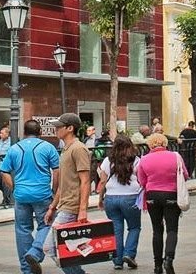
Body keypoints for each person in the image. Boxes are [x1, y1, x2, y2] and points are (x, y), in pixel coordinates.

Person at [0, 119, 61, 274]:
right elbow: (56, 171)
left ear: (24, 132)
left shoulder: (14, 148)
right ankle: (35, 252)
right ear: (40, 132)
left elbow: (4, 171)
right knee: (47, 224)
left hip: (21, 196)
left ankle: (27, 269)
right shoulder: (48, 147)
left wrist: (14, 188)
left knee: (22, 230)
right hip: (42, 194)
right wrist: (54, 191)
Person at [43, 112, 93, 274]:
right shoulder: (66, 149)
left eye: (59, 126)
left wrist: (83, 210)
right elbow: (64, 183)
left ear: (70, 128)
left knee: (50, 247)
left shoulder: (78, 149)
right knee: (62, 248)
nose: (56, 129)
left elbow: (85, 181)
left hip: (72, 206)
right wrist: (53, 207)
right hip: (65, 205)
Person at [136, 133, 188, 274]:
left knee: (157, 230)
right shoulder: (175, 156)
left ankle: (157, 265)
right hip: (171, 194)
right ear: (165, 143)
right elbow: (185, 175)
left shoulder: (144, 159)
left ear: (150, 144)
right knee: (172, 229)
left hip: (152, 195)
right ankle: (169, 259)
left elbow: (141, 181)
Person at [97, 135, 142, 271]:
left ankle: (117, 260)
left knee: (116, 229)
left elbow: (103, 182)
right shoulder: (136, 160)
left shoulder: (107, 160)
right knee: (134, 227)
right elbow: (141, 179)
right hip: (131, 197)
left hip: (111, 197)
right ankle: (129, 254)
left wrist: (100, 199)